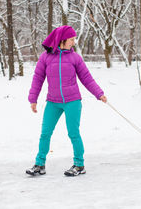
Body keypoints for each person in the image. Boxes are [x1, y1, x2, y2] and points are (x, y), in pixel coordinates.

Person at [26, 25, 107, 177]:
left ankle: (79, 164)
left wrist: (99, 93)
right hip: (53, 102)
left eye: (74, 39)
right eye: (71, 39)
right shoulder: (45, 57)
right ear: (62, 40)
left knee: (73, 133)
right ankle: (39, 164)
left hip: (72, 101)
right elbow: (38, 78)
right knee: (45, 133)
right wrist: (33, 99)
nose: (73, 42)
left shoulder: (75, 57)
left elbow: (86, 78)